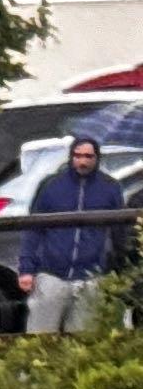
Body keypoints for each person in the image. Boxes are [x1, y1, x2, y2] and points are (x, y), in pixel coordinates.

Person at [21, 131, 135, 336]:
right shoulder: (51, 186)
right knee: (40, 338)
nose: (82, 161)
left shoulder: (110, 188)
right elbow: (33, 229)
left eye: (88, 156)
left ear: (97, 158)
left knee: (82, 341)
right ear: (71, 156)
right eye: (78, 155)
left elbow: (120, 232)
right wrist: (26, 269)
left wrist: (119, 270)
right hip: (51, 275)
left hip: (91, 277)